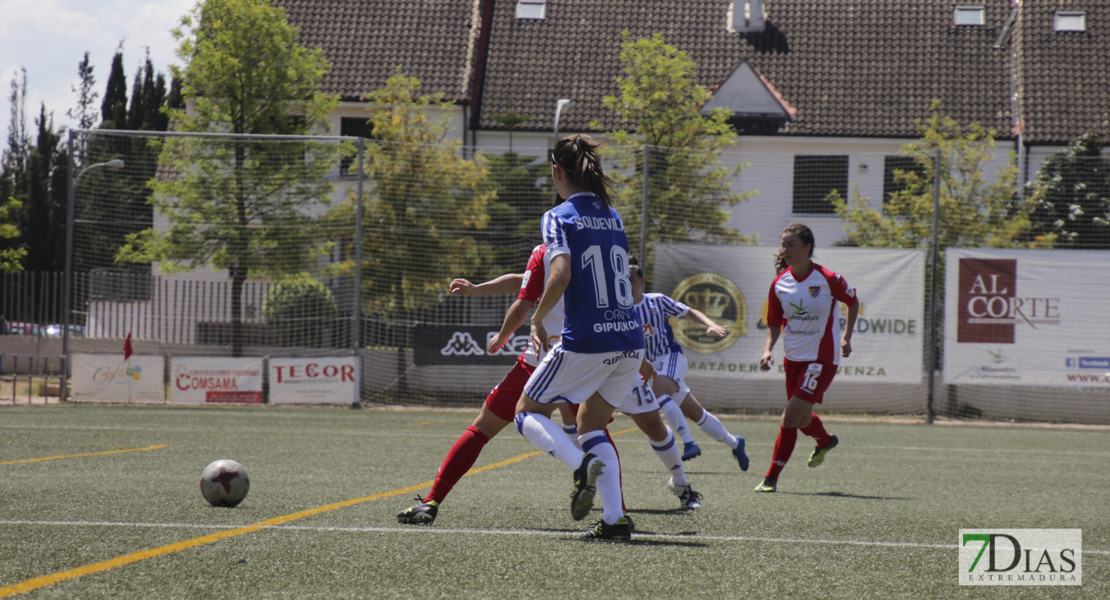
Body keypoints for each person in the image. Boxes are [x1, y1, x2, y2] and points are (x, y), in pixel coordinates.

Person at [514, 134, 698, 542]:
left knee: (526, 412)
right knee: (591, 422)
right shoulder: (612, 216)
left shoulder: (557, 216)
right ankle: (614, 520)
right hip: (631, 339)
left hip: (587, 340)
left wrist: (537, 319)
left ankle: (580, 467)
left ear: (557, 172)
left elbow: (559, 275)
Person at [396, 248, 600, 525]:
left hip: (541, 361)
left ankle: (432, 500)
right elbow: (524, 279)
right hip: (590, 361)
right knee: (596, 433)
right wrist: (479, 288)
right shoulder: (596, 248)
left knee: (482, 429)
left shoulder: (546, 248)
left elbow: (523, 302)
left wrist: (503, 336)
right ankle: (616, 514)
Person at [755, 223, 859, 493]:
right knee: (801, 420)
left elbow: (852, 301)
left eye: (790, 245)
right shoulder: (780, 283)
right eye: (783, 245)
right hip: (794, 359)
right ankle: (824, 441)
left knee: (789, 417)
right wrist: (768, 349)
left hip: (821, 359)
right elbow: (774, 322)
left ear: (807, 248)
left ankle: (771, 478)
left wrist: (847, 337)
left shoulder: (827, 278)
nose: (785, 250)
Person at [628, 257, 749, 471]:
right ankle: (735, 442)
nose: (628, 283)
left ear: (642, 280)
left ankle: (689, 443)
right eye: (623, 279)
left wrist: (711, 323)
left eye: (631, 278)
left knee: (658, 395)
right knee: (696, 414)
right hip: (648, 368)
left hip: (670, 358)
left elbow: (688, 311)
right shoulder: (620, 311)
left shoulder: (656, 301)